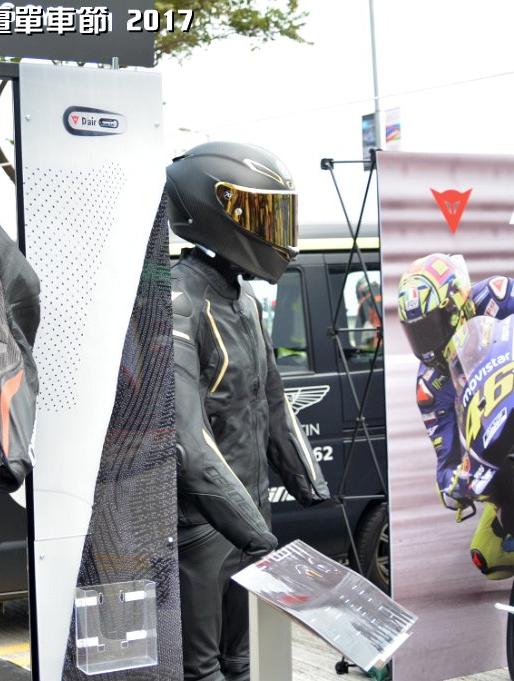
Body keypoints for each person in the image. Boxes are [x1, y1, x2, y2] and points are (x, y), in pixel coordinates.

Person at [165, 141, 331, 681]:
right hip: (203, 529)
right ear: (216, 212)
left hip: (251, 517)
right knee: (203, 670)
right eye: (263, 215)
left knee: (245, 661)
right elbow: (188, 444)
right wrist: (255, 531)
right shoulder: (178, 300)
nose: (275, 232)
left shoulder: (246, 302)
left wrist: (310, 483)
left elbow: (274, 404)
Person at [397, 253, 514, 578]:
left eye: (430, 327)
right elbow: (446, 462)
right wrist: (456, 487)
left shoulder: (498, 296)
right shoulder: (430, 386)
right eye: (416, 333)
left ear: (455, 306)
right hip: (498, 451)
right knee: (488, 558)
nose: (426, 343)